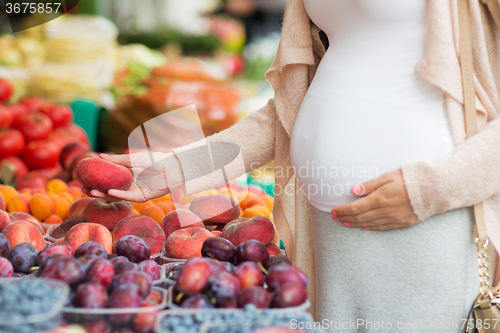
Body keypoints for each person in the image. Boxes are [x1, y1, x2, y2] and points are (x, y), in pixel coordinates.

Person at [84, 0, 500, 331]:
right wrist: (178, 168)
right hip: (324, 224)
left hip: (423, 220)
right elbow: (288, 110)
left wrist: (431, 189)